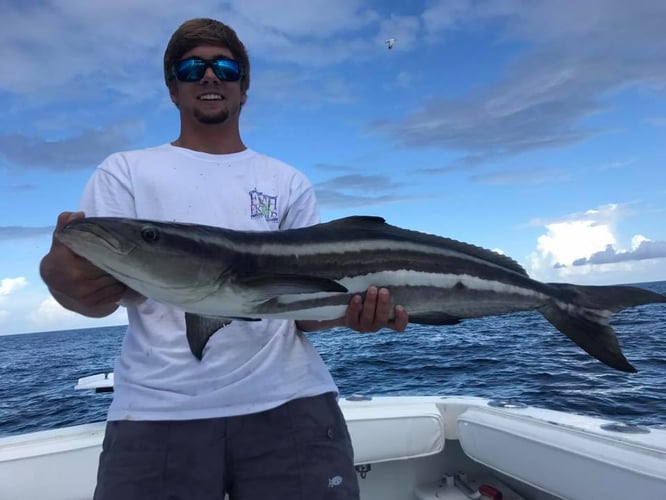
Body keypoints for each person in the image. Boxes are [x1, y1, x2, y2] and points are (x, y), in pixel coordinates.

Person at [39, 18, 409, 500]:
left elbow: (304, 315)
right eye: (192, 68)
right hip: (156, 414)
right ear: (173, 89)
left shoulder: (287, 181)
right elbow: (96, 298)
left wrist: (352, 314)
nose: (209, 77)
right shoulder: (125, 171)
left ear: (243, 88)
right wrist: (60, 279)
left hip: (292, 405)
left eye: (225, 67)